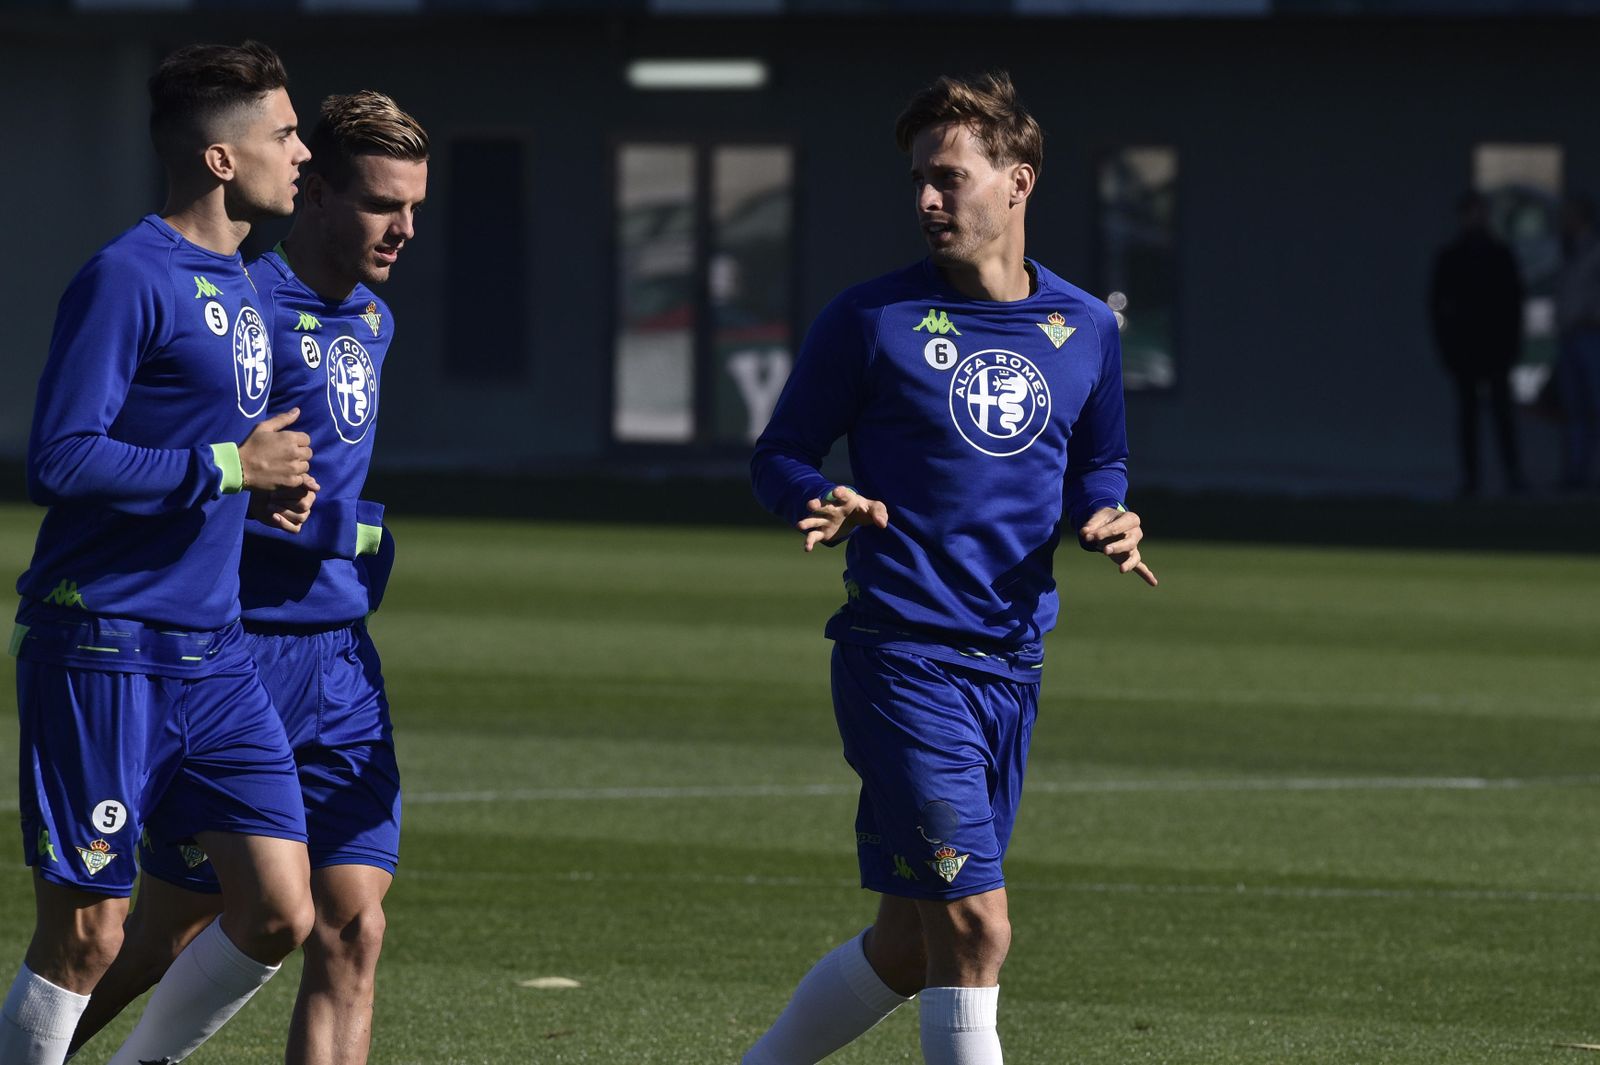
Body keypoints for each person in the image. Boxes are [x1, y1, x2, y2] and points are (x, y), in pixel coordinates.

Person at [744, 71, 1155, 1065]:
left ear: (1016, 182)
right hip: (902, 660)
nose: (926, 199)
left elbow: (1097, 465)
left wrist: (1110, 518)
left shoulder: (1086, 329)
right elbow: (779, 450)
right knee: (978, 933)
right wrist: (819, 495)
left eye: (949, 178)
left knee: (908, 945)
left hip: (1010, 665)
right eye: (918, 180)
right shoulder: (870, 319)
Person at [66, 91, 427, 1065]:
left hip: (345, 662)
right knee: (164, 932)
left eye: (414, 208)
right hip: (241, 653)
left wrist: (351, 547)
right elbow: (203, 481)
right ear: (313, 198)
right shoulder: (244, 311)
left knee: (352, 928)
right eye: (379, 205)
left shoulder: (376, 321)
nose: (403, 230)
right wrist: (349, 532)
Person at [0, 41, 320, 1065]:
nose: (302, 152)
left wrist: (261, 491)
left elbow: (208, 455)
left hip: (213, 654)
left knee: (278, 911)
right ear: (222, 159)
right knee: (88, 933)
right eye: (283, 133)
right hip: (103, 642)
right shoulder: (127, 276)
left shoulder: (246, 287)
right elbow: (61, 455)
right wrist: (230, 469)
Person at [1427, 190, 1527, 497]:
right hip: (1465, 349)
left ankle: (1512, 475)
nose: (1476, 218)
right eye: (1471, 212)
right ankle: (1471, 478)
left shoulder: (1500, 255)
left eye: (1480, 212)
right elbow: (1437, 308)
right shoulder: (1451, 257)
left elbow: (1514, 303)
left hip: (1496, 348)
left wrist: (1512, 345)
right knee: (1468, 416)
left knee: (1502, 415)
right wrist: (1448, 349)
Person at [1556, 193, 1600, 491]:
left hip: (1592, 334)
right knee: (1575, 410)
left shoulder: (1595, 250)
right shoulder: (1567, 251)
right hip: (1570, 334)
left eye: (1569, 215)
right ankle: (1577, 474)